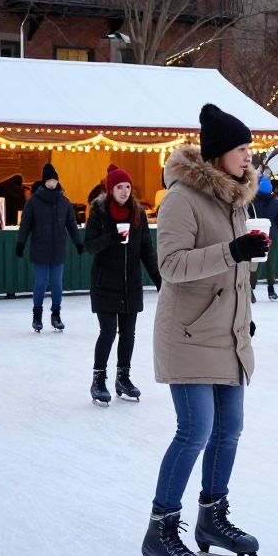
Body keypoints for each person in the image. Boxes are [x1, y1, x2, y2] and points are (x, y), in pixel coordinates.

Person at [143, 104, 265, 556]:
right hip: (189, 335)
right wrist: (233, 251)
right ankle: (160, 528)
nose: (248, 156)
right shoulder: (181, 198)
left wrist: (243, 312)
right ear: (217, 155)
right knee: (195, 431)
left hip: (227, 334)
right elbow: (170, 267)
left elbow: (229, 270)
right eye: (240, 148)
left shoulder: (235, 199)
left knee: (228, 429)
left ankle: (212, 518)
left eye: (249, 147)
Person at [83, 164, 161, 406]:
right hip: (104, 283)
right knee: (107, 332)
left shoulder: (137, 214)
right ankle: (98, 379)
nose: (125, 191)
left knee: (128, 333)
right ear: (110, 189)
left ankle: (123, 378)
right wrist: (112, 237)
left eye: (128, 187)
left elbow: (146, 249)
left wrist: (159, 280)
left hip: (131, 285)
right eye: (119, 187)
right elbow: (89, 246)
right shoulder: (99, 213)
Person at [16, 162, 83, 332]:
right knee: (40, 283)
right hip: (40, 248)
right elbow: (26, 224)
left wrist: (78, 242)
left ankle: (56, 314)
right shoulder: (33, 202)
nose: (52, 183)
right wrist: (20, 243)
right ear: (44, 182)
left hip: (58, 248)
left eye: (54, 180)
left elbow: (71, 224)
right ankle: (37, 315)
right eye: (49, 180)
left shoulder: (64, 202)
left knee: (57, 283)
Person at [249, 175, 278, 301]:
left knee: (255, 263)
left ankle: (251, 288)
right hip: (271, 235)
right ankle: (271, 289)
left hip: (256, 234)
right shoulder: (275, 202)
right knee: (271, 263)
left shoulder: (252, 202)